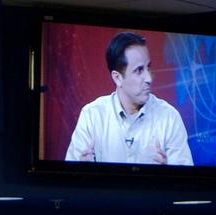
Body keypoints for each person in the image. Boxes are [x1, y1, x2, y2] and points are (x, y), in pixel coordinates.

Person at [64, 31, 192, 166]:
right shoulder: (92, 116)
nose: (149, 78)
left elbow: (187, 181)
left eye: (148, 68)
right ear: (117, 78)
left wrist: (169, 174)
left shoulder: (169, 117)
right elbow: (68, 178)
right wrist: (80, 172)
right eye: (139, 70)